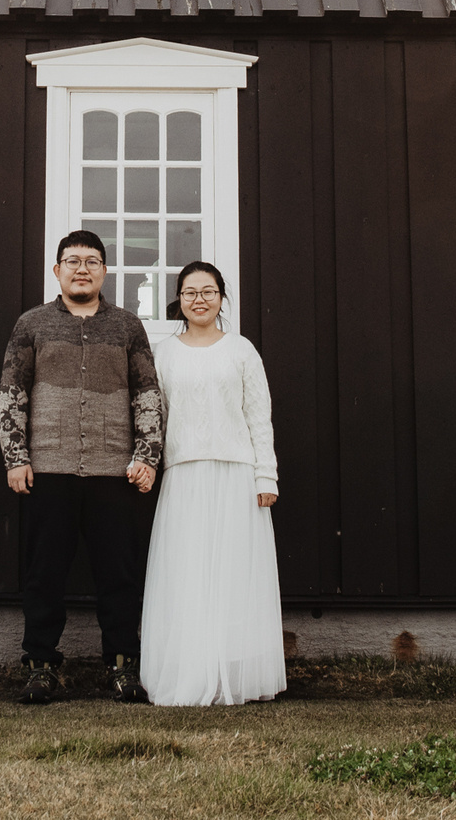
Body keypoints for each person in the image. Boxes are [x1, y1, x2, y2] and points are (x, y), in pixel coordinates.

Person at [0, 229, 165, 705]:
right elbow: (13, 393)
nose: (82, 268)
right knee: (43, 575)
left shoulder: (128, 327)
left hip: (116, 471)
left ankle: (122, 666)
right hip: (47, 468)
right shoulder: (31, 324)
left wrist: (147, 456)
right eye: (72, 261)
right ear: (57, 271)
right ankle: (41, 667)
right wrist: (16, 457)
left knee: (119, 576)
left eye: (92, 261)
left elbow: (147, 394)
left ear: (104, 271)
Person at [139, 259, 284, 706]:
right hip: (184, 474)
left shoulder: (242, 350)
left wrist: (267, 474)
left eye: (208, 291)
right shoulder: (163, 354)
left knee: (232, 575)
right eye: (189, 292)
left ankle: (232, 675)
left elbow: (259, 416)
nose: (198, 299)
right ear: (178, 300)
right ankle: (189, 671)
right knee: (187, 572)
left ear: (221, 298)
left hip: (237, 476)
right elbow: (154, 418)